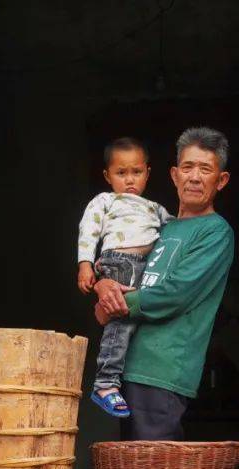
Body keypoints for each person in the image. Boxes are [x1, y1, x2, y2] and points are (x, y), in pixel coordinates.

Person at [93, 127, 234, 441]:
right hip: (127, 366)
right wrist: (104, 284)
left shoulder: (215, 232)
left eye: (205, 169)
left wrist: (114, 307)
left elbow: (175, 295)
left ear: (220, 180)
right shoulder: (159, 228)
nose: (194, 177)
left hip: (164, 371)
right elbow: (122, 265)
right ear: (174, 175)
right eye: (187, 167)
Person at [77, 137, 173, 418]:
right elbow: (88, 231)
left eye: (137, 172)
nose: (130, 180)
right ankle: (105, 384)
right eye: (121, 173)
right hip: (118, 262)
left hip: (146, 267)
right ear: (108, 176)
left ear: (148, 172)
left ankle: (123, 382)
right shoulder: (105, 201)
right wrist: (85, 265)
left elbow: (176, 232)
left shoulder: (155, 208)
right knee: (120, 321)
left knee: (134, 323)